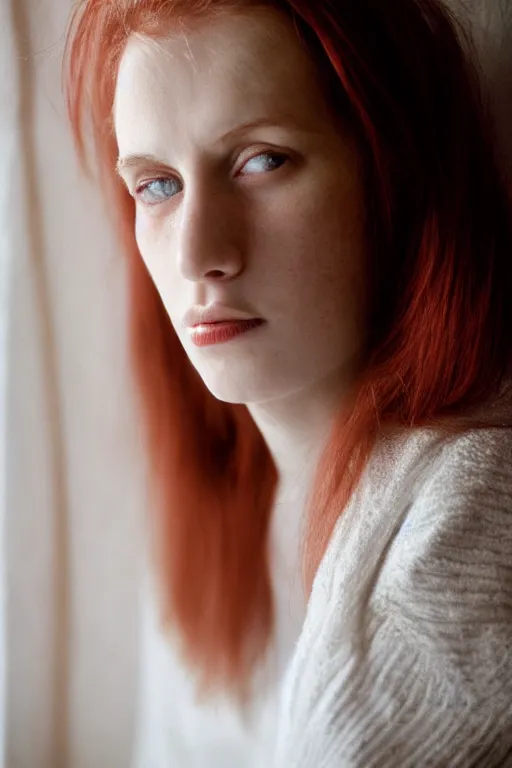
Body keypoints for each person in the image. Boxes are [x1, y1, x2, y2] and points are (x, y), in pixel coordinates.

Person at [64, 0, 512, 765]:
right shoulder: (214, 504)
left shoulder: (465, 522)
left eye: (262, 160)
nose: (198, 253)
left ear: (390, 175)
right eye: (158, 185)